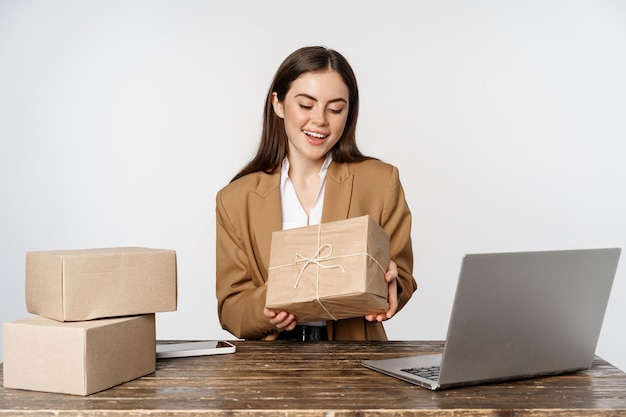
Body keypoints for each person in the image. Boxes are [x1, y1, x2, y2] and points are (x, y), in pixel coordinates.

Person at [216, 46, 417, 341]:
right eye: (306, 105)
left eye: (335, 109)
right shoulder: (235, 199)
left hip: (355, 358)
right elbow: (230, 309)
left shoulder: (381, 182)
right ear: (279, 104)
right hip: (270, 368)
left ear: (349, 113)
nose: (320, 120)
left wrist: (391, 285)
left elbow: (403, 278)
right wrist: (268, 305)